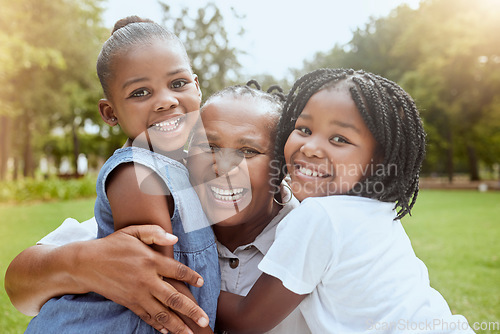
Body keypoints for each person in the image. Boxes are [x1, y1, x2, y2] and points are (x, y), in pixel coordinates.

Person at [5, 82, 307, 333]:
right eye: (209, 147)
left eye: (248, 151)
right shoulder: (167, 210)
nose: (221, 166)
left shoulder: (309, 234)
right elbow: (19, 288)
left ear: (281, 167)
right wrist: (84, 263)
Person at [216, 68, 475, 333]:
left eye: (339, 139)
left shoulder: (320, 217)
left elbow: (248, 319)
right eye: (304, 129)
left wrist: (179, 286)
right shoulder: (374, 211)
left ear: (379, 160)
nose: (310, 147)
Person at [22, 16, 220, 334]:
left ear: (197, 87)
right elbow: (161, 287)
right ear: (110, 113)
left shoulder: (186, 167)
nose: (166, 100)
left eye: (178, 84)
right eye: (141, 92)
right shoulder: (136, 174)